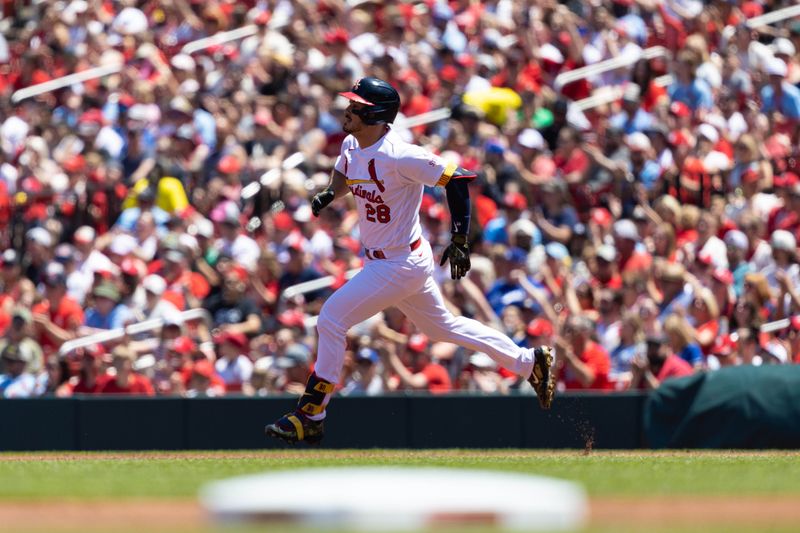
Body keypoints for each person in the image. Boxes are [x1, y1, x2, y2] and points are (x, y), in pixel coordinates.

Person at [266, 78, 555, 444]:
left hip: (400, 262)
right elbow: (345, 170)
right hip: (387, 261)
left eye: (356, 106)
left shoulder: (400, 154)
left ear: (375, 114)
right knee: (442, 328)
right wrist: (330, 192)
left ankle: (311, 414)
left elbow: (457, 178)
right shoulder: (352, 143)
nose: (348, 109)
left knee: (331, 319)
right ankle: (528, 361)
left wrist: (461, 238)